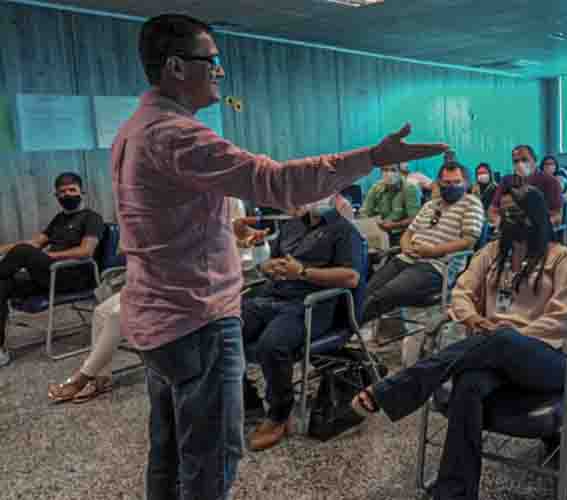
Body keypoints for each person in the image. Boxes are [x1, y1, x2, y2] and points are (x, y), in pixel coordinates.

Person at [116, 14, 446, 500]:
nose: (220, 72)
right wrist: (373, 157)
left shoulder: (134, 129)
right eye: (212, 61)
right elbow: (280, 183)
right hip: (195, 320)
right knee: (208, 458)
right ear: (175, 67)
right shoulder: (177, 135)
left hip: (156, 316)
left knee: (169, 450)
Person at [351, 185, 567, 500]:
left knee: (502, 339)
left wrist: (510, 337)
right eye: (505, 211)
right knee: (469, 384)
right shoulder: (490, 253)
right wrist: (472, 319)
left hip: (545, 357)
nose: (508, 218)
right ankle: (455, 492)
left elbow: (561, 319)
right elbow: (461, 292)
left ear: (535, 216)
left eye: (516, 212)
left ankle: (396, 388)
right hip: (488, 351)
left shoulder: (561, 258)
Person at [46, 198, 268, 403]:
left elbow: (245, 258)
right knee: (102, 312)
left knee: (117, 315)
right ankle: (101, 378)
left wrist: (245, 241)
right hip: (165, 279)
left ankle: (83, 376)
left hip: (201, 286)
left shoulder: (229, 206)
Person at [241, 200, 362, 451]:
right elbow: (270, 261)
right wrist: (268, 266)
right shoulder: (292, 226)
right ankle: (246, 399)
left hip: (311, 304)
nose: (305, 199)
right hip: (272, 295)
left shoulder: (344, 231)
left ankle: (279, 415)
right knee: (225, 328)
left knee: (271, 345)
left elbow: (351, 278)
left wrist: (303, 272)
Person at [361, 162, 484, 343]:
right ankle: (347, 328)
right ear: (438, 183)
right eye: (446, 182)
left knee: (384, 295)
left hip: (436, 267)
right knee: (366, 292)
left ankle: (344, 330)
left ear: (466, 183)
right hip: (407, 258)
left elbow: (469, 241)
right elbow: (409, 233)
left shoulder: (471, 204)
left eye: (456, 182)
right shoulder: (430, 205)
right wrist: (405, 246)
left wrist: (434, 251)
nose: (450, 187)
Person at [0, 172, 105, 368]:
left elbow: (86, 251)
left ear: (82, 192)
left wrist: (48, 257)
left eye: (72, 190)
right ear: (56, 197)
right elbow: (33, 243)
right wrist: (4, 248)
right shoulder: (59, 220)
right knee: (3, 283)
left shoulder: (92, 218)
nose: (67, 195)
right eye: (62, 192)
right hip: (50, 275)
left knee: (23, 252)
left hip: (74, 276)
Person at [489, 145, 565, 227]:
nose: (520, 164)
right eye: (516, 161)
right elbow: (492, 210)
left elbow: (557, 216)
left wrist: (539, 227)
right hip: (508, 229)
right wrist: (498, 221)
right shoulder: (506, 181)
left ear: (535, 160)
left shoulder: (551, 182)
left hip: (538, 231)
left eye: (524, 159)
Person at [360, 162, 422, 246]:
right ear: (381, 172)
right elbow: (365, 213)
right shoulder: (376, 188)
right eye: (385, 170)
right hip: (380, 231)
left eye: (393, 170)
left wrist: (395, 225)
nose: (389, 174)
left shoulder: (410, 189)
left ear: (400, 172)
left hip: (402, 234)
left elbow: (415, 219)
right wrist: (372, 223)